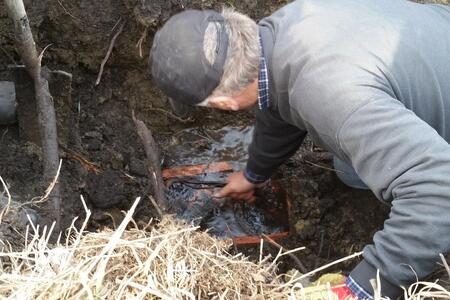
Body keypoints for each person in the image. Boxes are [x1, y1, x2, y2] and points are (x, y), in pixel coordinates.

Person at [149, 0, 450, 298]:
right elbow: (280, 99)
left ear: (224, 104)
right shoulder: (285, 28)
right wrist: (255, 173)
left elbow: (439, 189)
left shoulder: (332, 96)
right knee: (351, 168)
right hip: (436, 38)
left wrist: (363, 286)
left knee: (378, 176)